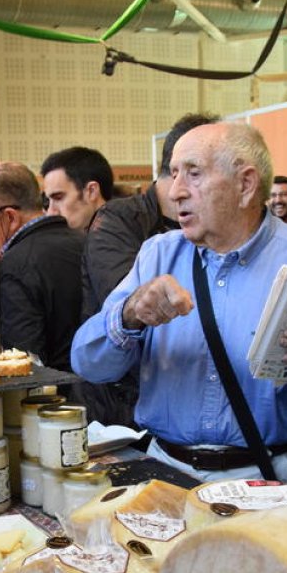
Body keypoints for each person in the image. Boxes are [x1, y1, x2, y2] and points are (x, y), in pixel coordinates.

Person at [72, 122, 287, 483]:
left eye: (193, 174)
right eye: (173, 174)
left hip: (275, 478)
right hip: (167, 473)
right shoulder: (157, 256)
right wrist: (130, 314)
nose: (176, 191)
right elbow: (88, 362)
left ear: (245, 184)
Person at [77, 112, 217, 427]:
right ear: (174, 169)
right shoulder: (119, 222)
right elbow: (129, 310)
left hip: (181, 399)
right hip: (119, 405)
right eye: (194, 173)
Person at [0, 161, 84, 373]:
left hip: (56, 399)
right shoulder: (85, 241)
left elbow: (24, 362)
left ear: (9, 217)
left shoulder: (15, 266)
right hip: (101, 392)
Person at [40, 146, 113, 231]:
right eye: (48, 201)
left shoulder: (125, 240)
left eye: (59, 198)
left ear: (92, 191)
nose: (50, 213)